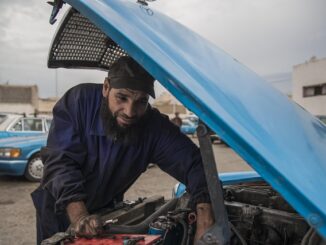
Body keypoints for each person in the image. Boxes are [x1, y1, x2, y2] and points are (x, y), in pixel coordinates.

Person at [31, 56, 214, 244]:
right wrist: (79, 215)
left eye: (141, 102)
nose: (130, 111)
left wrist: (205, 218)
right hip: (58, 209)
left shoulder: (153, 127)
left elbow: (194, 163)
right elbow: (60, 160)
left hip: (104, 212)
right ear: (106, 88)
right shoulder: (79, 102)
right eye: (122, 98)